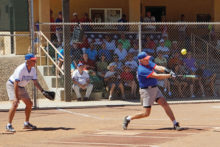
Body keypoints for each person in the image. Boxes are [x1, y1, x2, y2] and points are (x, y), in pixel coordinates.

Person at [123, 52, 182, 131]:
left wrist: (168, 70)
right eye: (146, 59)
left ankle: (175, 123)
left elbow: (158, 67)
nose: (148, 60)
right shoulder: (142, 70)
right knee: (146, 114)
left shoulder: (147, 63)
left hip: (155, 89)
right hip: (147, 91)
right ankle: (128, 118)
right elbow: (157, 76)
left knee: (164, 103)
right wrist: (170, 76)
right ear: (141, 60)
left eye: (148, 58)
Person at [5, 53, 46, 132]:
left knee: (29, 104)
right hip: (12, 85)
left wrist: (42, 91)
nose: (35, 62)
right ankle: (8, 125)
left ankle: (26, 123)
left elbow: (35, 82)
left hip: (21, 87)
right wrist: (16, 98)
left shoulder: (33, 69)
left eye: (35, 61)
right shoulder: (21, 69)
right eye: (33, 61)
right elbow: (16, 83)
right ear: (28, 61)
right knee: (15, 104)